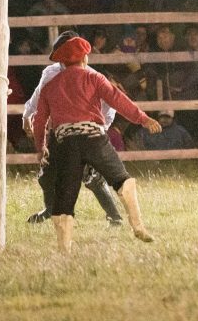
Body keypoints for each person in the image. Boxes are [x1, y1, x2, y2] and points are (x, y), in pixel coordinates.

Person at [32, 33, 162, 252]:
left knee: (65, 196)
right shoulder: (95, 78)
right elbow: (119, 100)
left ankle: (64, 248)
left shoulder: (50, 87)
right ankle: (138, 225)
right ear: (84, 59)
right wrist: (143, 118)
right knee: (122, 180)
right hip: (94, 137)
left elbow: (39, 120)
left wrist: (40, 147)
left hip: (65, 142)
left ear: (63, 62)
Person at [22, 32, 126, 228]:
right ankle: (51, 209)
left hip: (89, 132)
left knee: (91, 176)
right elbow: (39, 96)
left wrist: (96, 132)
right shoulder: (51, 73)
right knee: (46, 176)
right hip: (60, 131)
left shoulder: (93, 77)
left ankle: (114, 216)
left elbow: (110, 107)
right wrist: (27, 114)